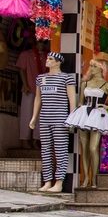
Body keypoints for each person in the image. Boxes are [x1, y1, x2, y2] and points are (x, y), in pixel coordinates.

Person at [64, 59, 108, 188]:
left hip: (97, 115)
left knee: (93, 148)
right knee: (84, 148)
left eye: (94, 66)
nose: (91, 68)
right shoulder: (85, 83)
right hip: (84, 114)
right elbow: (81, 102)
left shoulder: (107, 85)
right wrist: (75, 118)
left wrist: (107, 107)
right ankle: (86, 178)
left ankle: (95, 178)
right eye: (90, 66)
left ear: (101, 68)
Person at [28, 52, 76, 193]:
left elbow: (72, 100)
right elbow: (38, 99)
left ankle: (59, 183)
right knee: (46, 151)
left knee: (61, 151)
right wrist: (34, 117)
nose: (47, 60)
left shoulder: (66, 78)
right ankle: (48, 181)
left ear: (58, 62)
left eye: (50, 59)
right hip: (44, 118)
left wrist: (71, 119)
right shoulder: (40, 78)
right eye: (47, 58)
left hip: (60, 119)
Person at [15, 41, 45, 149]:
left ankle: (36, 140)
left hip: (42, 90)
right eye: (40, 42)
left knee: (40, 116)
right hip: (29, 88)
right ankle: (24, 140)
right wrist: (25, 84)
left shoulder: (47, 56)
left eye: (44, 42)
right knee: (27, 114)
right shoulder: (26, 54)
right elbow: (21, 70)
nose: (41, 45)